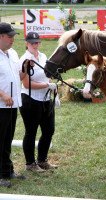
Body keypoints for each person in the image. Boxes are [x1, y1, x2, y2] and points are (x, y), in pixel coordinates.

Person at [19, 32, 58, 173]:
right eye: (32, 43)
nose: (35, 45)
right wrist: (47, 86)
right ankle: (30, 163)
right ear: (26, 43)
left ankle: (42, 160)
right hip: (30, 99)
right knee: (31, 132)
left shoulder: (43, 56)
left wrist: (50, 83)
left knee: (49, 130)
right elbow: (26, 83)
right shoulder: (24, 59)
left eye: (37, 42)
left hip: (45, 99)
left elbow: (46, 75)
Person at [0, 22, 29, 188]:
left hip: (13, 104)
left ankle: (7, 170)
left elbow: (18, 76)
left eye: (13, 36)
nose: (12, 39)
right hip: (1, 105)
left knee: (8, 139)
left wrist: (25, 69)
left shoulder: (12, 53)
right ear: (1, 36)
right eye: (9, 36)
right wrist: (3, 94)